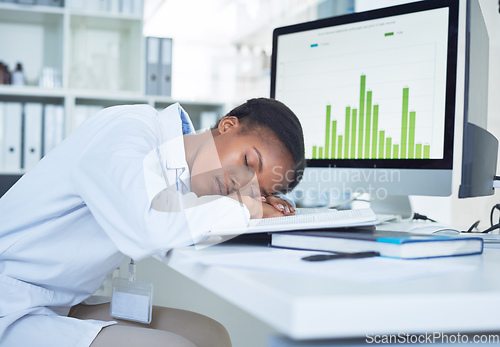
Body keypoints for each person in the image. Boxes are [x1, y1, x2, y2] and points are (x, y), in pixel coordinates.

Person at [0, 97, 305, 346]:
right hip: (11, 304)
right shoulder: (131, 129)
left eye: (259, 190)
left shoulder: (190, 178)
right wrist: (249, 209)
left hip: (60, 300)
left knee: (211, 335)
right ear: (227, 126)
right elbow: (149, 228)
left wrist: (259, 212)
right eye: (248, 163)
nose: (242, 186)